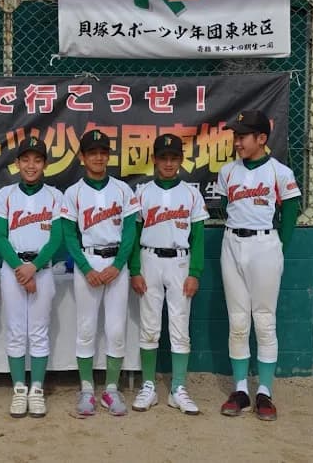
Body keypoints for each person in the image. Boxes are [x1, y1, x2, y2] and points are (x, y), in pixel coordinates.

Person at [217, 110, 300, 421]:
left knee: (264, 320)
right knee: (238, 320)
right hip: (232, 242)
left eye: (243, 136)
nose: (237, 141)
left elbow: (291, 212)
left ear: (261, 138)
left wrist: (279, 246)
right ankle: (240, 389)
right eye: (235, 136)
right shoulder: (227, 172)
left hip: (265, 243)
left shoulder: (280, 172)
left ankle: (264, 391)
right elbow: (226, 205)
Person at [128, 134, 209, 415]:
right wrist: (135, 270)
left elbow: (198, 236)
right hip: (149, 258)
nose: (168, 163)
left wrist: (195, 272)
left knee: (180, 326)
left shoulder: (190, 193)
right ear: (154, 160)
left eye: (174, 158)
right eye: (163, 157)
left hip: (180, 262)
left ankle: (178, 387)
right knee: (150, 326)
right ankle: (149, 385)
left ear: (181, 160)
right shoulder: (142, 193)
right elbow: (134, 233)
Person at [62, 130, 140, 417]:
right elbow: (69, 234)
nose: (98, 157)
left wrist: (118, 266)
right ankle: (85, 390)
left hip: (115, 264)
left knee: (116, 329)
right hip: (88, 262)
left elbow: (130, 232)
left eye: (103, 152)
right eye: (92, 152)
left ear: (108, 155)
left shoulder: (123, 190)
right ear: (82, 157)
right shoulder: (73, 192)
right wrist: (85, 268)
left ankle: (110, 389)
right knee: (85, 328)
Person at [0, 136, 64, 418]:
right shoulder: (5, 195)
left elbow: (56, 237)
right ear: (17, 163)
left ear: (44, 164)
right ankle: (19, 388)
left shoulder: (55, 196)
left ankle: (37, 388)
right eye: (26, 159)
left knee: (38, 331)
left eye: (37, 160)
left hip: (42, 270)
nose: (31, 165)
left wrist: (33, 267)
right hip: (13, 269)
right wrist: (21, 268)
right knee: (15, 331)